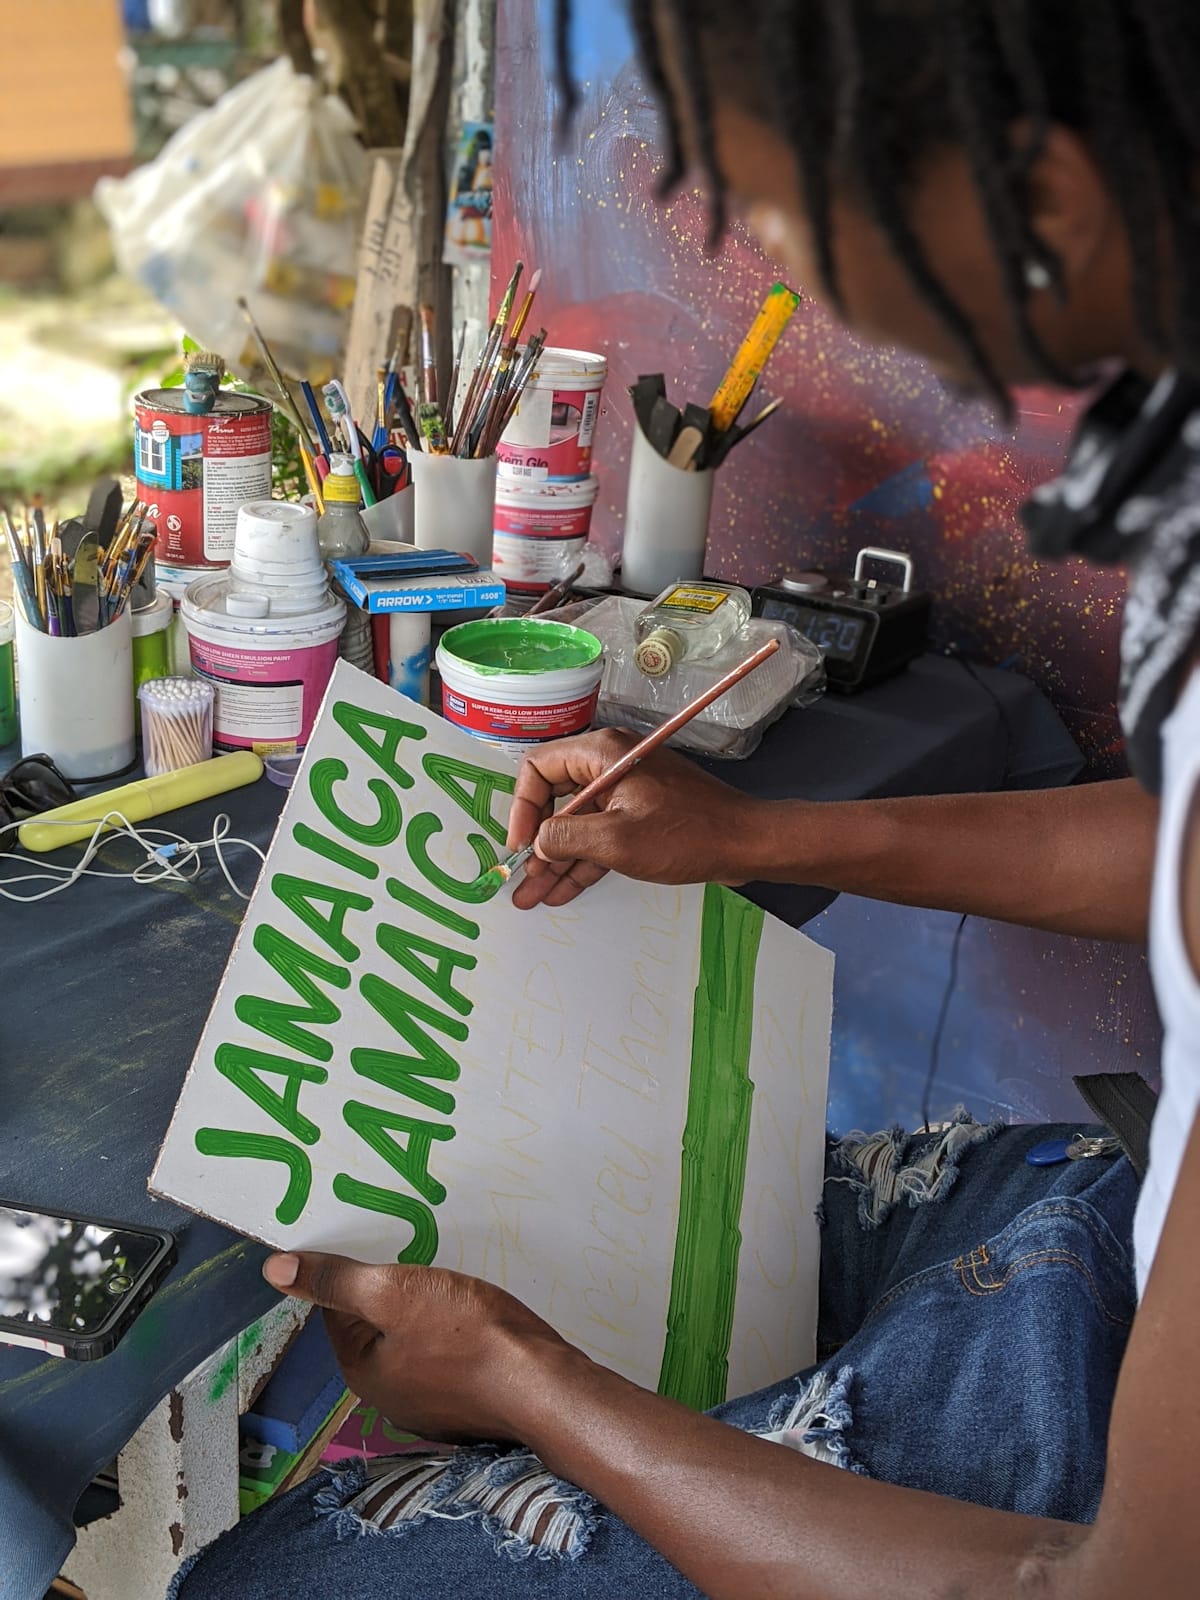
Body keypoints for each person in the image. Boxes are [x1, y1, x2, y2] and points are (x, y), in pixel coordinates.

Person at [169, 4, 1200, 1596]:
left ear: (1043, 198)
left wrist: (528, 1384)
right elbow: (1185, 847)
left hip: (1091, 1505)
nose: (771, 264)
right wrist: (754, 836)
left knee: (269, 1579)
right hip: (1109, 1230)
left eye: (784, 208)